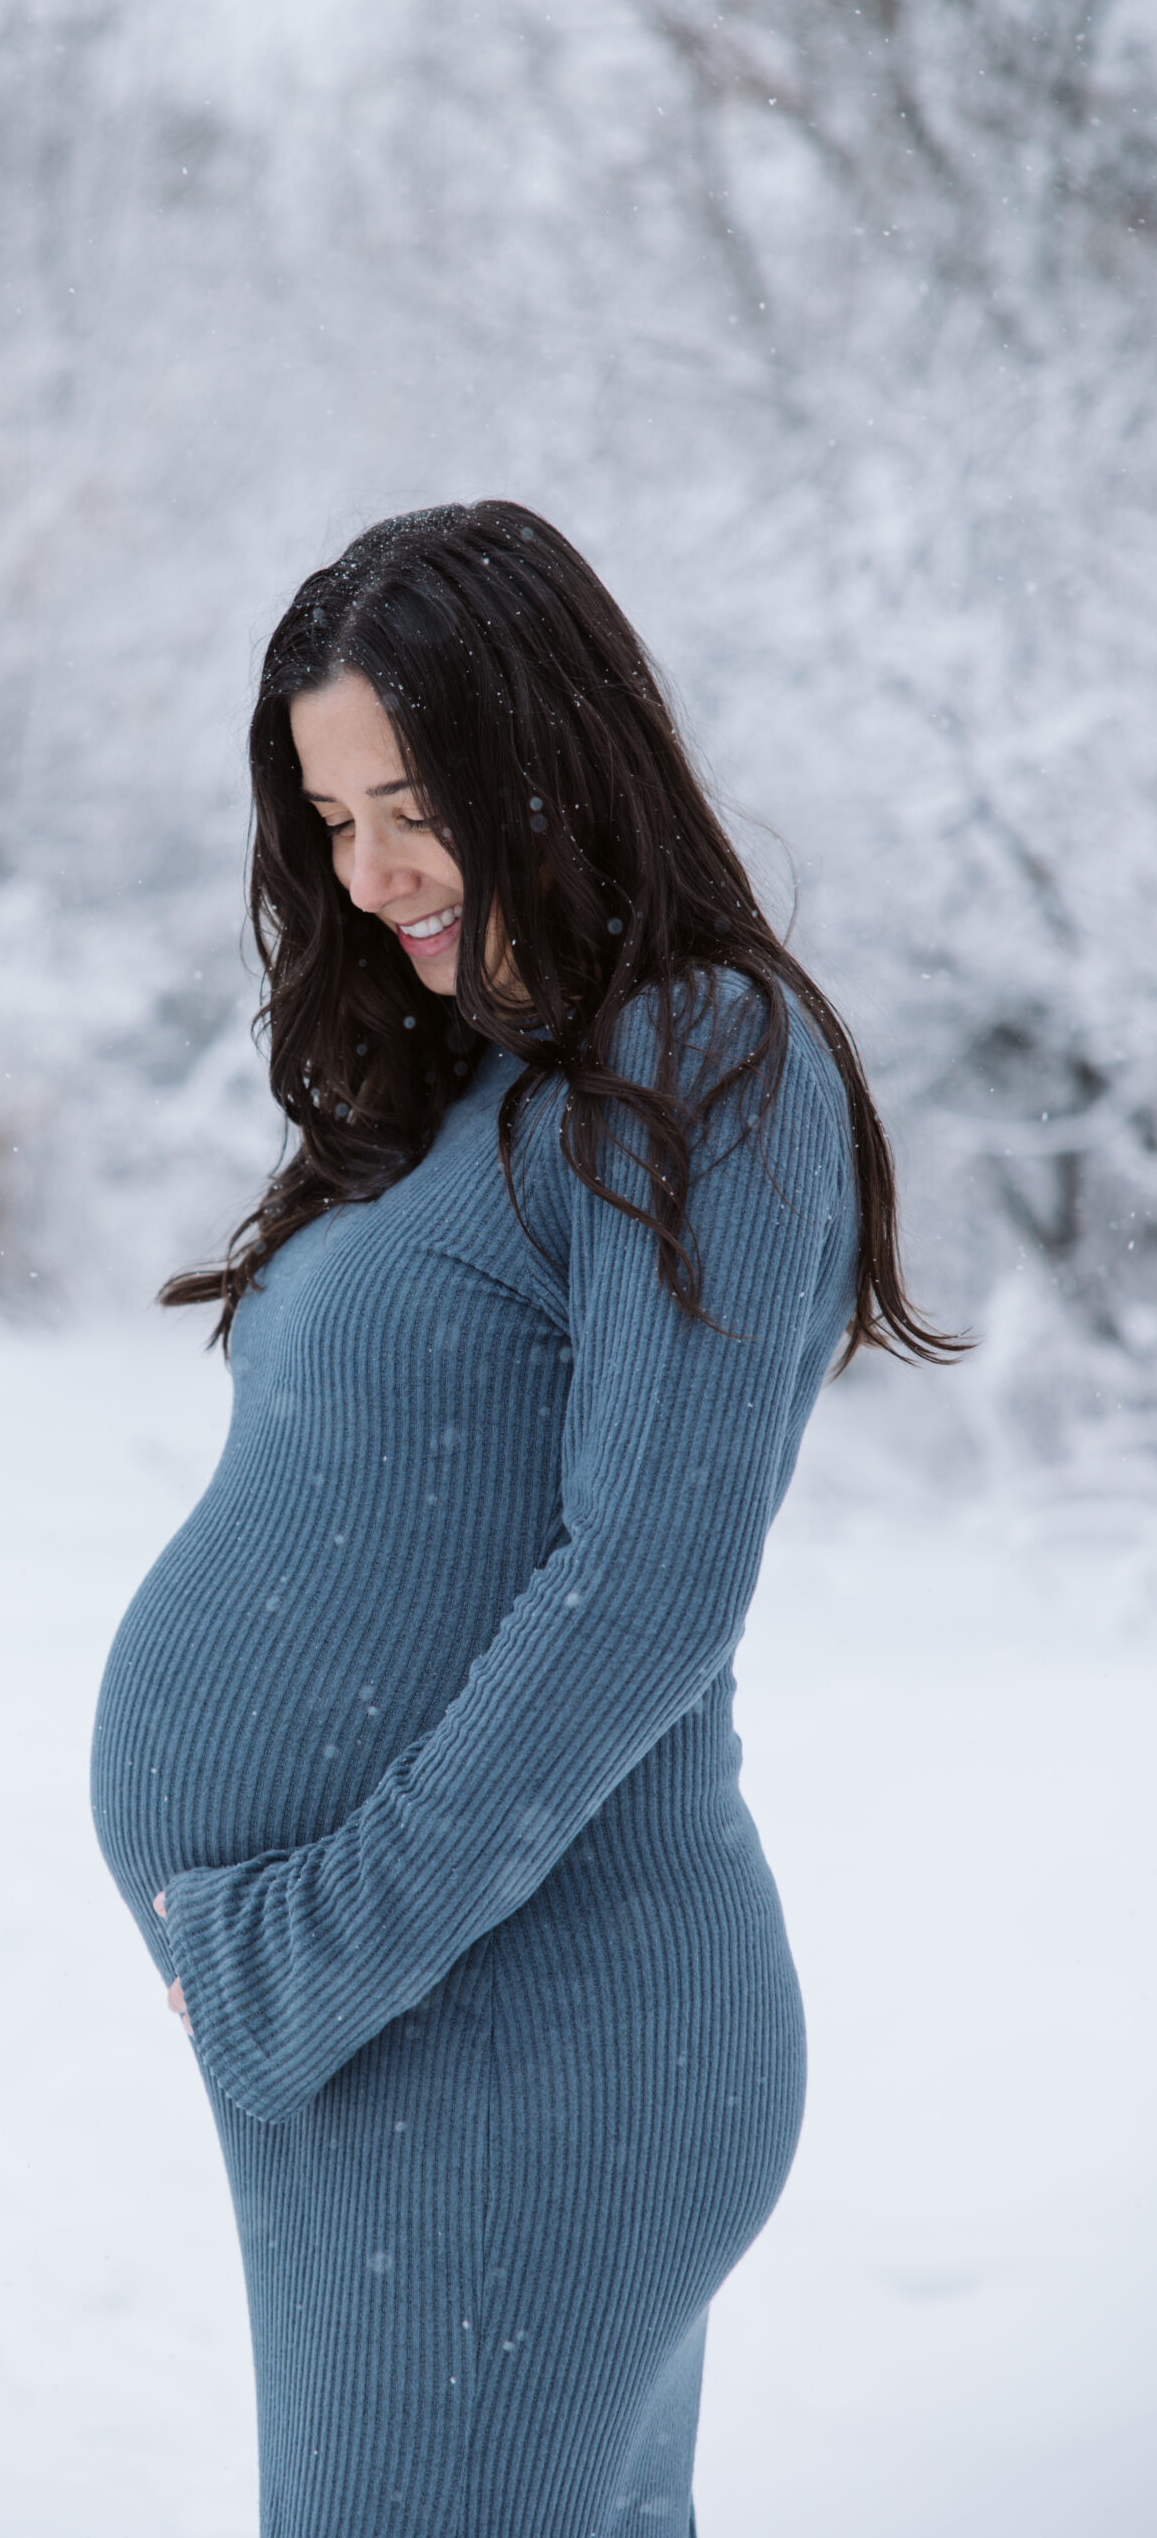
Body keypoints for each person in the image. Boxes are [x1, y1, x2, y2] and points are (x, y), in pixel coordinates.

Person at [90, 501, 960, 2538]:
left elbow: (646, 1586)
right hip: (413, 2033)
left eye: (411, 802)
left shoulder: (701, 1050)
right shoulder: (492, 1083)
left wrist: (309, 1942)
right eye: (326, 818)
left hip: (520, 2035)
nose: (366, 869)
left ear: (545, 753)